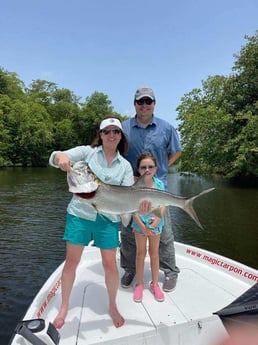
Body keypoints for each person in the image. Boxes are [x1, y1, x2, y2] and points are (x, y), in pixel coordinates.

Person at [49, 116, 135, 329]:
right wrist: (60, 158)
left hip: (108, 220)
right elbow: (56, 156)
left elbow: (127, 197)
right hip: (79, 215)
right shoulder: (87, 153)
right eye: (107, 131)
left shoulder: (125, 166)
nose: (112, 135)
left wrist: (137, 208)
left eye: (116, 131)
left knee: (110, 265)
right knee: (71, 262)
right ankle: (64, 306)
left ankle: (112, 306)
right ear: (101, 135)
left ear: (120, 136)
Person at [120, 86, 182, 292]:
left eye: (148, 101)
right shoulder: (124, 128)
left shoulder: (166, 128)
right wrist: (130, 175)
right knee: (129, 233)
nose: (144, 105)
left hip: (158, 190)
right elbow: (115, 153)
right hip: (131, 190)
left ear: (154, 103)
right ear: (134, 104)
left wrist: (160, 169)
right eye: (140, 101)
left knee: (163, 233)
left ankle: (170, 271)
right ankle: (130, 269)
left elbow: (177, 151)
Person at [132, 152, 166, 303]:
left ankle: (155, 284)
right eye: (143, 167)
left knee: (154, 253)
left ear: (156, 168)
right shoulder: (134, 187)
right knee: (140, 253)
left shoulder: (159, 184)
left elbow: (163, 205)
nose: (147, 170)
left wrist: (153, 224)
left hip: (155, 225)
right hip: (139, 224)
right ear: (138, 169)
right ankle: (139, 284)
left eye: (150, 167)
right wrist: (142, 226)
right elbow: (131, 209)